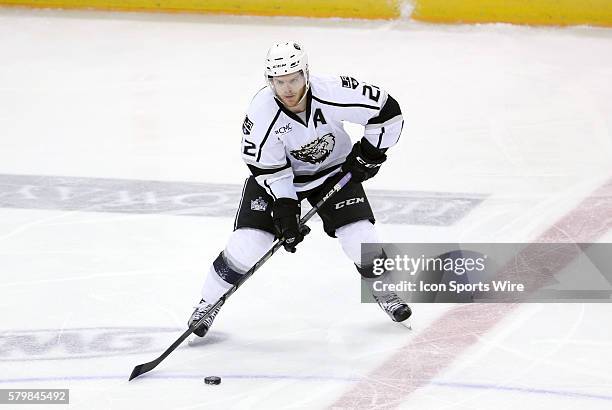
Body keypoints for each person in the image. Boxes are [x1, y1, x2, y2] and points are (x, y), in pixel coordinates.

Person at [188, 41, 411, 337]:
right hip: (281, 178)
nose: (288, 89)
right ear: (270, 82)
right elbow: (265, 167)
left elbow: (388, 111)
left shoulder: (333, 90)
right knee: (247, 244)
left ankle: (386, 293)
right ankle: (208, 303)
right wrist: (285, 206)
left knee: (361, 237)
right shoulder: (261, 112)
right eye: (279, 82)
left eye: (294, 79)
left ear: (306, 73)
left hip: (334, 172)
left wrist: (371, 153)